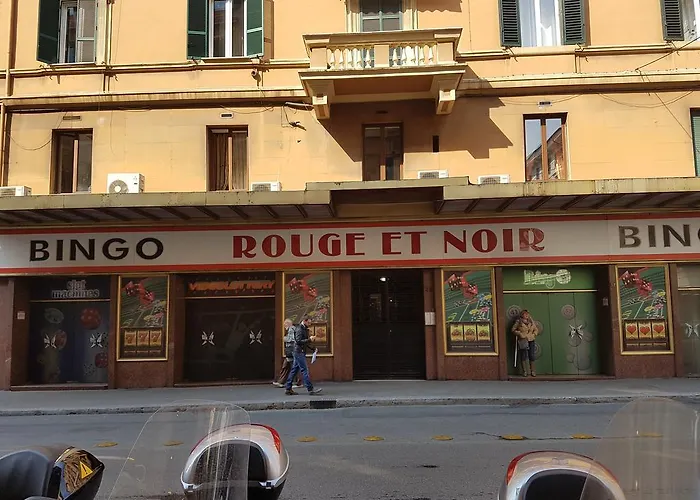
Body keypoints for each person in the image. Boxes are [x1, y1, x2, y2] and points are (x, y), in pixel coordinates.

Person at [285, 316, 322, 395]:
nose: (310, 324)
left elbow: (305, 342)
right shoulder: (299, 329)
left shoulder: (304, 329)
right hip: (299, 352)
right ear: (304, 321)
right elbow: (298, 341)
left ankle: (288, 388)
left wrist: (313, 348)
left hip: (299, 351)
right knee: (304, 370)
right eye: (309, 322)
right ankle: (310, 389)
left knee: (294, 370)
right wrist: (309, 339)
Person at [273, 319, 302, 388]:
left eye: (285, 324)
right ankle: (281, 382)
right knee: (286, 367)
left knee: (292, 367)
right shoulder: (293, 329)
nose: (284, 326)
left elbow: (292, 339)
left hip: (291, 351)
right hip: (291, 351)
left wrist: (284, 338)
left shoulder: (291, 329)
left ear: (288, 324)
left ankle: (296, 382)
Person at [512, 309, 539, 377]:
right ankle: (524, 371)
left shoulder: (531, 322)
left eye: (527, 314)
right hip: (523, 340)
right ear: (522, 315)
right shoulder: (519, 322)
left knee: (531, 355)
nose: (527, 315)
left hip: (531, 339)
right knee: (523, 355)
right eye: (525, 314)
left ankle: (532, 371)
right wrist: (520, 334)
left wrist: (534, 334)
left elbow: (536, 329)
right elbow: (513, 330)